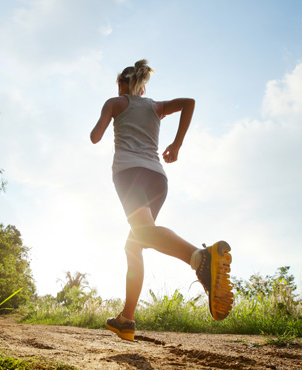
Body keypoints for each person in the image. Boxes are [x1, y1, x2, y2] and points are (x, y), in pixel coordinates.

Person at [90, 59, 234, 341]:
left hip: (129, 173)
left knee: (143, 234)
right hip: (157, 178)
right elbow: (189, 102)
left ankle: (200, 258)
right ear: (142, 89)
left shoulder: (115, 102)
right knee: (135, 244)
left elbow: (95, 137)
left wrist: (108, 115)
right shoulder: (155, 106)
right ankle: (126, 319)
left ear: (122, 86)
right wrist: (176, 144)